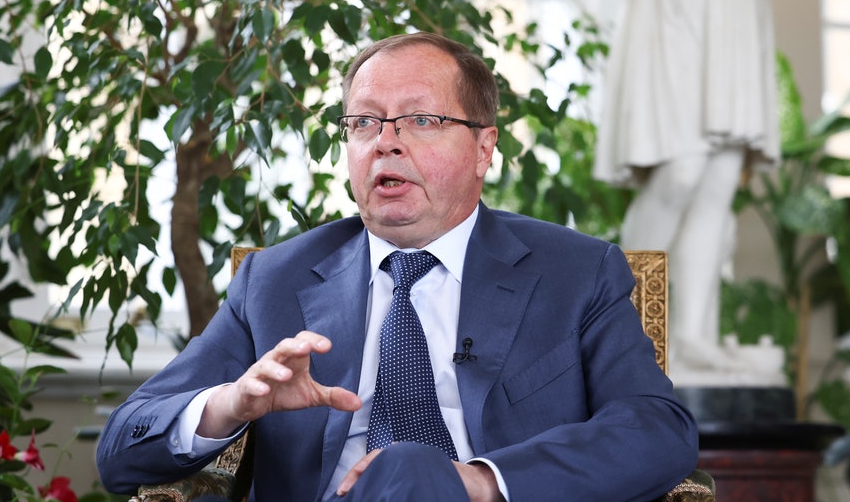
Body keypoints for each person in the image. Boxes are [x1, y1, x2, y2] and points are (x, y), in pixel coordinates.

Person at [96, 32, 698, 501]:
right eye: (364, 122)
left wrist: (480, 482)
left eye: (421, 120)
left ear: (484, 148)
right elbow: (121, 447)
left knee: (409, 465)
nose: (385, 141)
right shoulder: (275, 281)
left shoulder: (576, 272)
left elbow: (656, 428)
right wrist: (232, 404)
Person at [590, 0, 788, 378]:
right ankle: (636, 327)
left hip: (732, 11)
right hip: (675, 4)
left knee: (720, 176)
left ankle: (696, 334)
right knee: (680, 169)